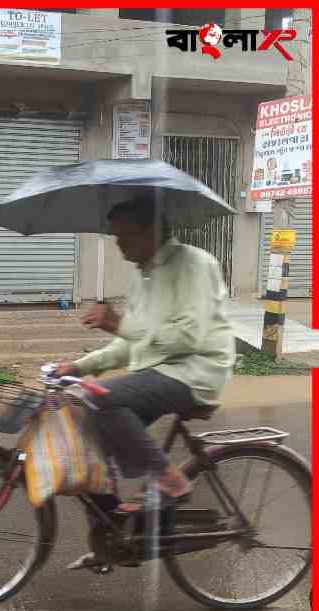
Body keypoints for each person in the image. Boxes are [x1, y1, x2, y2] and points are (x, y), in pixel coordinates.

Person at [55, 196, 235, 570]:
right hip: (157, 371)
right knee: (86, 438)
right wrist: (81, 365)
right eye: (115, 235)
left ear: (152, 231)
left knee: (102, 400)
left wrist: (119, 323)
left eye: (126, 235)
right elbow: (131, 342)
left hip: (195, 370)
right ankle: (110, 541)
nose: (119, 245)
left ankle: (169, 480)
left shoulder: (194, 265)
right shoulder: (144, 274)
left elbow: (188, 338)